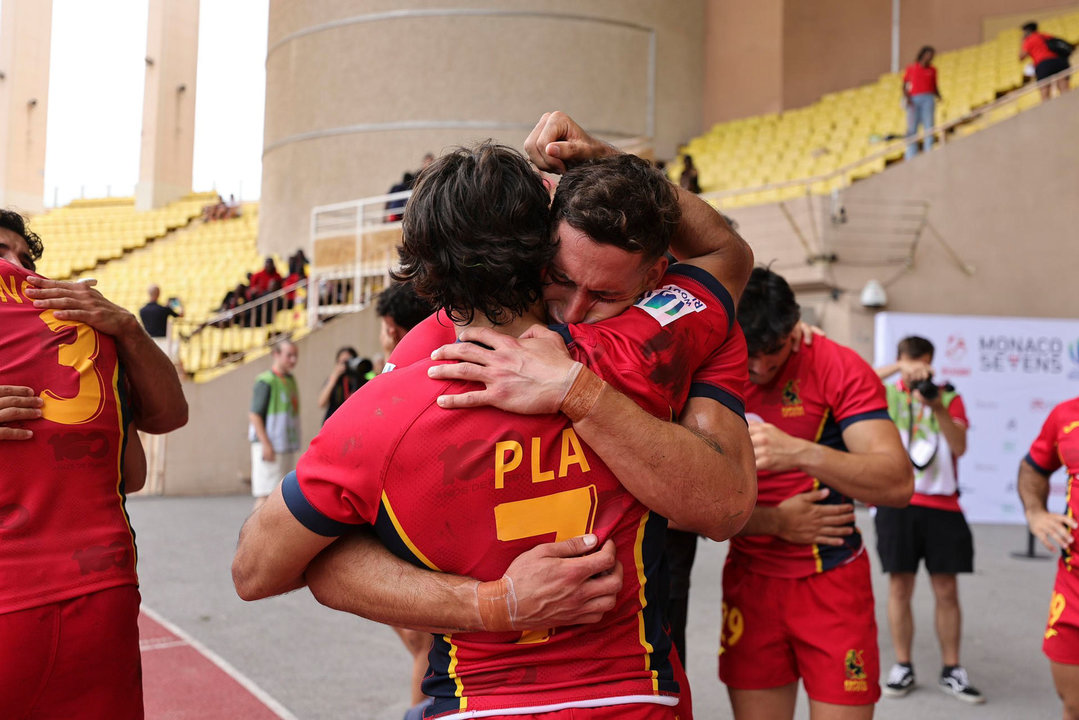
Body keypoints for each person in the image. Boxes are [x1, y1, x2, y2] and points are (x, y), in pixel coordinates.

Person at [233, 141, 755, 719]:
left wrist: (492, 605)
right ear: (546, 243)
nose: (580, 307)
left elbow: (255, 570)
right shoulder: (648, 346)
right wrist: (598, 166)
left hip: (474, 703)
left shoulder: (381, 410)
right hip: (634, 696)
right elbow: (726, 253)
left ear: (424, 277)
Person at [0, 208, 187, 719]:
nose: (19, 268)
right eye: (2, 253)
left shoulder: (86, 337)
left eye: (26, 257)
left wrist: (128, 327)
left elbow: (165, 424)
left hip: (97, 593)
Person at [720, 266, 912, 720]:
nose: (761, 368)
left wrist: (803, 453)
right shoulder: (709, 363)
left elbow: (898, 483)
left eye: (775, 351)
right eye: (751, 353)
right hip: (752, 580)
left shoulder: (836, 364)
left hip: (832, 581)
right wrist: (775, 521)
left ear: (794, 327)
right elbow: (672, 503)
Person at [872, 337, 983, 703]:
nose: (918, 371)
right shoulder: (887, 393)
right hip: (896, 501)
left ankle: (952, 668)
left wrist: (936, 408)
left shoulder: (948, 396)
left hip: (943, 505)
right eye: (909, 363)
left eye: (922, 364)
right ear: (900, 360)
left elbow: (960, 447)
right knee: (899, 588)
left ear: (932, 363)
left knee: (946, 590)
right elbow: (859, 378)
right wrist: (898, 372)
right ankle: (903, 665)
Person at [1019, 396, 1079, 720]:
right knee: (1073, 704)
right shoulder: (1066, 415)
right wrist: (1036, 512)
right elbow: (1032, 467)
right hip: (1073, 587)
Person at [248, 339, 300, 509]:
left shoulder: (290, 380)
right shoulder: (266, 381)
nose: (293, 360)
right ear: (276, 355)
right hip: (269, 446)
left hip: (284, 446)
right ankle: (253, 535)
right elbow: (255, 415)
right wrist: (266, 445)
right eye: (289, 355)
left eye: (295, 356)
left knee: (279, 497)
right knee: (265, 496)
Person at [903, 46, 941, 161]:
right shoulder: (911, 68)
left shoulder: (933, 70)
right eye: (929, 54)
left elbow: (934, 85)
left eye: (932, 55)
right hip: (914, 99)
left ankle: (928, 150)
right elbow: (905, 85)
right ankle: (910, 154)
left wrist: (939, 96)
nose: (931, 57)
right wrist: (907, 98)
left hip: (928, 98)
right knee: (912, 127)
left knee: (929, 125)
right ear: (923, 54)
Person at [317, 347, 370, 424]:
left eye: (349, 361)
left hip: (353, 423)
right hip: (334, 424)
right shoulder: (335, 380)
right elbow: (321, 403)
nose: (346, 365)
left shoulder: (360, 380)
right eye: (343, 362)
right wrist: (334, 377)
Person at [1020, 21, 1072, 100]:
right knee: (1064, 87)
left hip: (1043, 64)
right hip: (1059, 61)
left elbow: (1021, 57)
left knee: (1045, 91)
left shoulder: (1029, 40)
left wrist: (1022, 42)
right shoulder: (1045, 35)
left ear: (1027, 31)